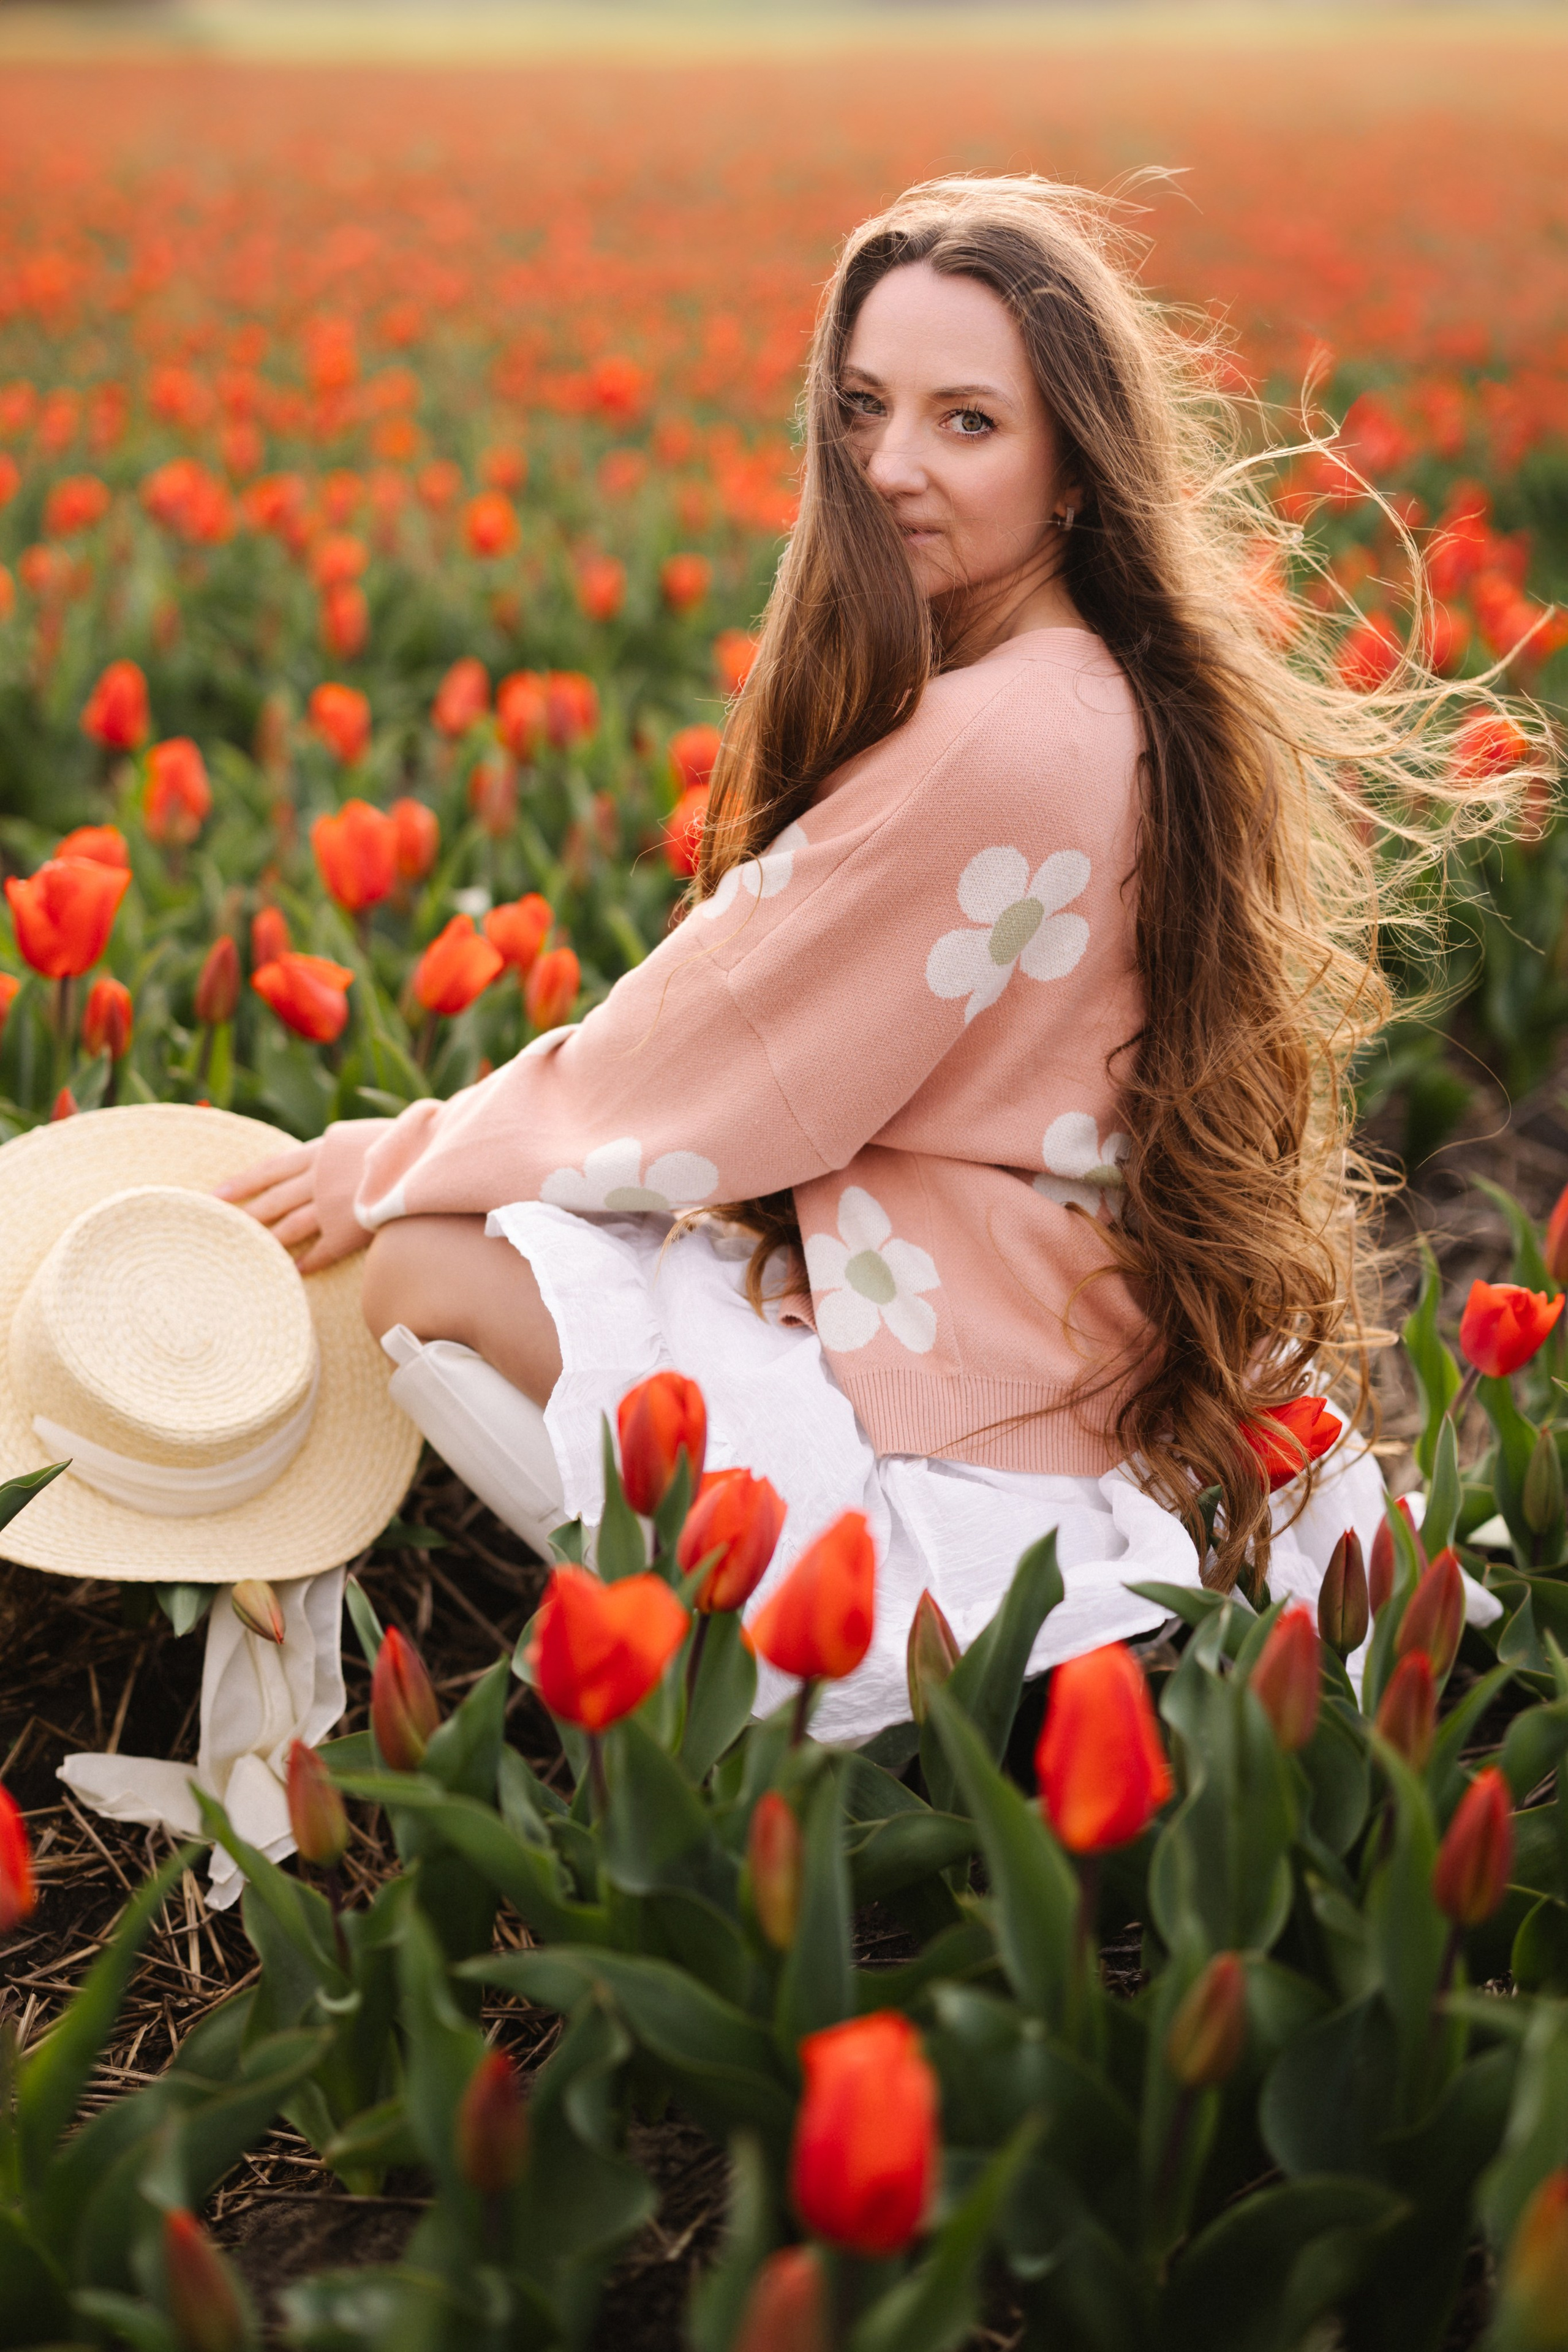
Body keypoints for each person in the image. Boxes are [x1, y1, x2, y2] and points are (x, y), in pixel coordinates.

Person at [217, 175, 1522, 1740]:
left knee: (418, 1261)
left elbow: (708, 1053)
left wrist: (399, 1156)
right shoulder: (1085, 683)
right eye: (859, 407)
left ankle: (712, 1720)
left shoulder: (1001, 731)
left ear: (1069, 474)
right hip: (1035, 1298)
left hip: (962, 1363)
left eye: (964, 422)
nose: (889, 466)